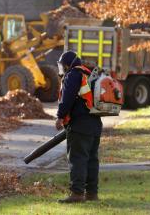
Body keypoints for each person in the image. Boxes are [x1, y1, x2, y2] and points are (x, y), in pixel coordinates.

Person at [55, 51, 103, 203]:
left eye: (63, 66)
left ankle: (76, 193)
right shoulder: (88, 74)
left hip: (80, 125)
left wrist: (60, 116)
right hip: (95, 123)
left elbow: (67, 98)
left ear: (68, 65)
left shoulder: (73, 75)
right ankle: (92, 194)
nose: (62, 69)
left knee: (78, 159)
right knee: (92, 160)